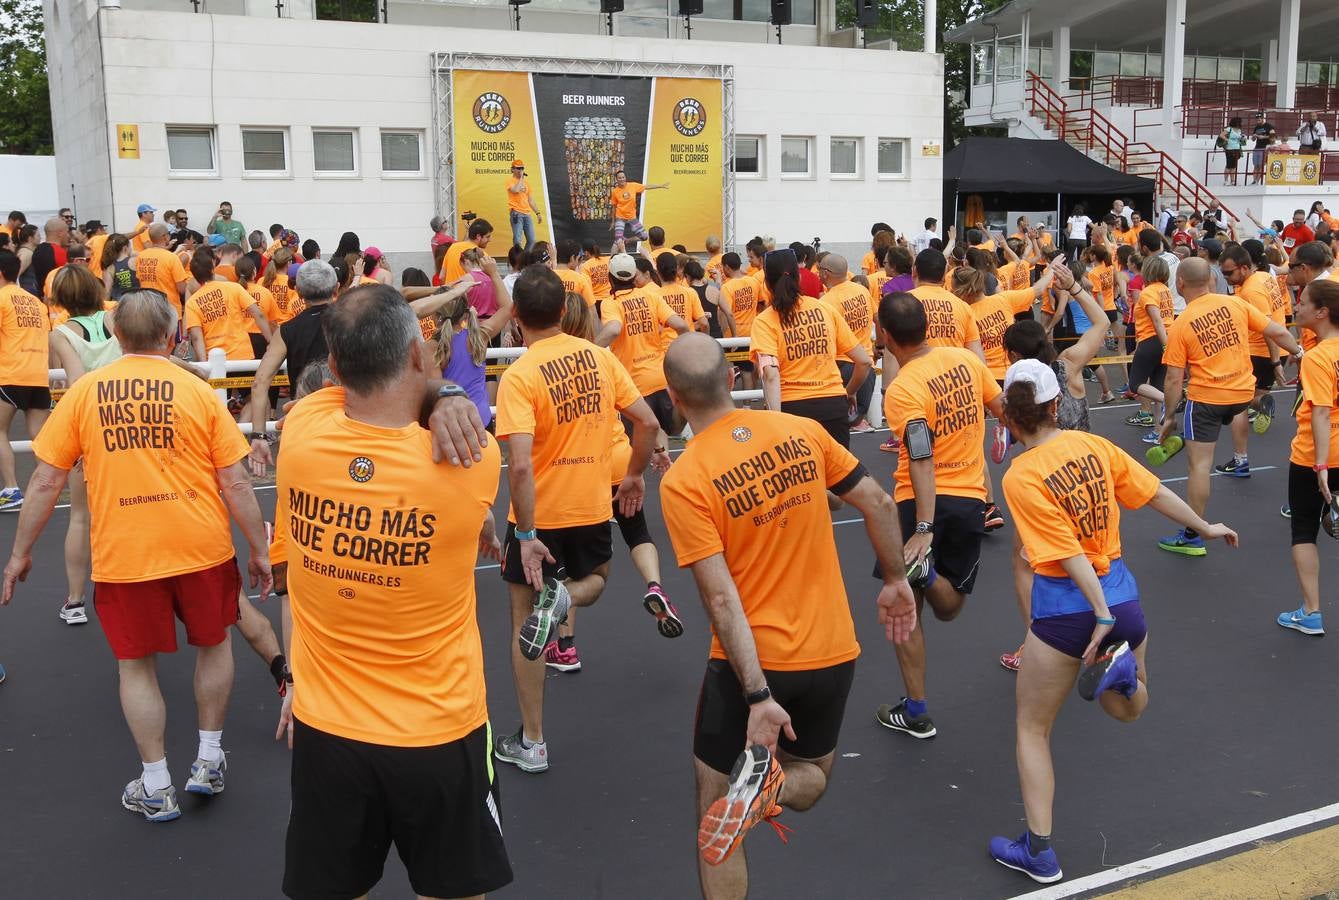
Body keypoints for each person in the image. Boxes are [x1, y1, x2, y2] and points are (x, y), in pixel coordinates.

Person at [272, 285, 512, 899]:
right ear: (415, 354)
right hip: (438, 730)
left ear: (333, 358)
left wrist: (432, 390)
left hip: (328, 731)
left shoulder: (301, 431)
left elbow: (347, 386)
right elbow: (421, 392)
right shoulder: (469, 461)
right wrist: (448, 392)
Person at [656, 332, 915, 894]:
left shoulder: (685, 480)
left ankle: (745, 795)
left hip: (754, 664)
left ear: (674, 398)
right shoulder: (802, 432)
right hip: (832, 653)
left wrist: (756, 697)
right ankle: (771, 792)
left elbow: (721, 598)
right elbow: (879, 501)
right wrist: (896, 579)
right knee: (815, 776)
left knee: (714, 808)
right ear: (731, 379)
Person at [2, 289, 272, 822]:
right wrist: (260, 550)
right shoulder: (195, 391)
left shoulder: (84, 393)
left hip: (127, 553)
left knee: (135, 665)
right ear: (172, 335)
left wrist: (20, 554)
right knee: (214, 645)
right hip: (201, 546)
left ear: (117, 337)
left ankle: (156, 784)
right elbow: (236, 483)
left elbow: (43, 481)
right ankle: (209, 759)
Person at [988, 357, 1237, 885]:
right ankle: (1122, 674)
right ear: (1058, 405)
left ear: (1008, 414)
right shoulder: (1095, 447)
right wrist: (1204, 525)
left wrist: (1096, 612)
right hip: (1124, 600)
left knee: (1033, 728)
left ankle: (1039, 852)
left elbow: (1063, 551)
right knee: (1129, 708)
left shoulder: (1021, 475)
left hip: (1070, 611)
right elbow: (1154, 492)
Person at [492, 265, 662, 772]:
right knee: (598, 580)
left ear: (517, 316)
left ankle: (535, 741)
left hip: (539, 513)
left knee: (524, 620)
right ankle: (566, 597)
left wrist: (524, 533)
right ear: (566, 312)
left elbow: (519, 464)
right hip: (589, 506)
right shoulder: (599, 358)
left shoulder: (519, 375)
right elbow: (648, 423)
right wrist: (632, 475)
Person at [874, 292, 1001, 739]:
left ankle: (917, 709)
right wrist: (1010, 435)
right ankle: (913, 708)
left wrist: (923, 528)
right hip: (969, 500)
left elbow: (921, 456)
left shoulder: (904, 388)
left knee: (905, 610)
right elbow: (1000, 404)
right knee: (951, 608)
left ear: (885, 335)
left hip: (917, 504)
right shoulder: (964, 360)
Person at [1155, 259, 1301, 556]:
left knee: (1199, 467)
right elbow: (1278, 331)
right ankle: (1252, 421)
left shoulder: (1181, 323)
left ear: (1180, 283)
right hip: (1241, 393)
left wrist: (1168, 417)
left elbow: (1173, 378)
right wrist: (1301, 353)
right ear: (1209, 279)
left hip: (1207, 399)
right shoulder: (1235, 304)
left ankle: (1193, 535)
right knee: (1238, 411)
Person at [752, 249, 869, 458]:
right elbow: (863, 361)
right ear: (798, 277)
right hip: (833, 404)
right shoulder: (824, 309)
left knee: (801, 483)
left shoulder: (764, 321)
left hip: (793, 409)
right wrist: (848, 392)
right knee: (839, 480)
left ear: (766, 283)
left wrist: (775, 420)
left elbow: (770, 375)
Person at [1279, 277, 1339, 635]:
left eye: (1302, 302)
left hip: (1316, 456)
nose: (1296, 306)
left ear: (1322, 312)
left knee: (1304, 530)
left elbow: (1319, 412)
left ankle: (1311, 611)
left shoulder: (1317, 357)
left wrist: (1320, 466)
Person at [248, 260, 342, 475]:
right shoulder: (351, 322)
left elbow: (260, 382)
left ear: (298, 292)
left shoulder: (287, 330)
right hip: (345, 418)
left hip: (301, 420)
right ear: (336, 288)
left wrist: (259, 436)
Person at [596, 252, 690, 436]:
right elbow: (681, 325)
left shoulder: (611, 303)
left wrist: (588, 351)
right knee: (666, 434)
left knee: (637, 446)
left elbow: (614, 329)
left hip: (633, 387)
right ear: (633, 276)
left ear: (610, 278)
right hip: (660, 378)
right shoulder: (651, 296)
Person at [1219, 244, 1288, 448]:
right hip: (1274, 349)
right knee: (1257, 393)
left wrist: (1276, 363)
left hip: (1260, 351)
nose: (1226, 278)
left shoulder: (1251, 290)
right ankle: (1261, 406)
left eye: (1229, 273)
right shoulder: (1265, 276)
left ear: (1243, 267)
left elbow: (1268, 328)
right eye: (1223, 273)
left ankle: (1241, 454)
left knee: (1236, 396)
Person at [429, 267, 514, 428]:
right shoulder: (477, 336)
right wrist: (494, 274)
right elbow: (507, 308)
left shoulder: (433, 347)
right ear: (464, 313)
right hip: (482, 419)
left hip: (453, 425)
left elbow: (435, 395)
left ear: (435, 315)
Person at [0, 246, 51, 513]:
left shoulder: (1, 298)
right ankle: (48, 486)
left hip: (10, 373)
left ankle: (10, 489)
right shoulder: (35, 302)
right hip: (38, 375)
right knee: (41, 439)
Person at [817, 253, 879, 432]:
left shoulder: (827, 302)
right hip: (865, 364)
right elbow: (877, 318)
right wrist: (879, 346)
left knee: (836, 427)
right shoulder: (862, 290)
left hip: (842, 367)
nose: (817, 273)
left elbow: (824, 340)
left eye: (820, 269)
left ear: (826, 273)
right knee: (852, 422)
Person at [184, 251, 272, 363]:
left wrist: (204, 364)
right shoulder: (234, 288)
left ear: (195, 276)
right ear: (212, 269)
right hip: (242, 354)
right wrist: (270, 341)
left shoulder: (192, 302)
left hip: (214, 360)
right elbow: (257, 314)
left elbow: (196, 337)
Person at [1123, 256, 1175, 432]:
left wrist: (1166, 347)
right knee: (1156, 386)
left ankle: (1171, 400)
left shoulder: (1148, 292)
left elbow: (1157, 321)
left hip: (1153, 340)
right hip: (1164, 338)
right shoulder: (1165, 290)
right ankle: (1159, 432)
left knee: (1135, 384)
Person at [133, 225, 190, 315]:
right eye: (168, 233)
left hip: (148, 309)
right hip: (169, 310)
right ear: (164, 236)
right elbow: (182, 289)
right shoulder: (171, 258)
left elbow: (139, 279)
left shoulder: (140, 256)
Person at [609, 169, 668, 250]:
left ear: (625, 177)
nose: (622, 179)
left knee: (644, 236)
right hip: (620, 217)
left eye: (623, 177)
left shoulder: (633, 186)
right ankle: (612, 260)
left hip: (631, 217)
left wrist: (661, 185)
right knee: (618, 240)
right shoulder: (615, 192)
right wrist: (613, 222)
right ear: (617, 179)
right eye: (620, 178)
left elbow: (647, 186)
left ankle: (627, 241)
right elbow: (614, 207)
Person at [441, 217, 493, 283]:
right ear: (478, 236)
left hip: (451, 292)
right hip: (469, 292)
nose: (490, 240)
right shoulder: (483, 256)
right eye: (487, 237)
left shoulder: (452, 247)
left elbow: (442, 276)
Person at [506, 159, 541, 251]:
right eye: (518, 168)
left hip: (527, 214)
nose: (520, 170)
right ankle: (516, 260)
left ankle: (523, 258)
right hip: (516, 213)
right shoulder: (510, 181)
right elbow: (516, 190)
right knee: (517, 240)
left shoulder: (527, 184)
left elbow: (530, 200)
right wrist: (521, 178)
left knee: (532, 240)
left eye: (522, 168)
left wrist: (537, 213)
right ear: (512, 169)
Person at [554, 239, 596, 306]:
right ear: (572, 258)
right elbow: (591, 310)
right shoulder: (581, 279)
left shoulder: (545, 277)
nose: (578, 262)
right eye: (578, 258)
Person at [1250, 112, 1277, 184]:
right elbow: (1253, 139)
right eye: (1257, 119)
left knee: (1261, 166)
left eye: (1259, 119)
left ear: (1262, 119)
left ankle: (1257, 181)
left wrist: (1264, 137)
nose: (1257, 120)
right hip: (1257, 148)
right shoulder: (1256, 127)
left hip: (1264, 148)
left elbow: (1274, 136)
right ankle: (1254, 181)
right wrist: (1254, 136)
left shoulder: (1268, 126)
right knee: (1256, 165)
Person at [1219, 116, 1245, 185]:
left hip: (1237, 148)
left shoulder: (1239, 130)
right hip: (1229, 149)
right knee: (1229, 165)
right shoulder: (1229, 129)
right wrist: (1228, 140)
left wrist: (1242, 138)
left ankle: (1232, 181)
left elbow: (1239, 138)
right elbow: (1221, 135)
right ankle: (1226, 181)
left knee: (1234, 165)